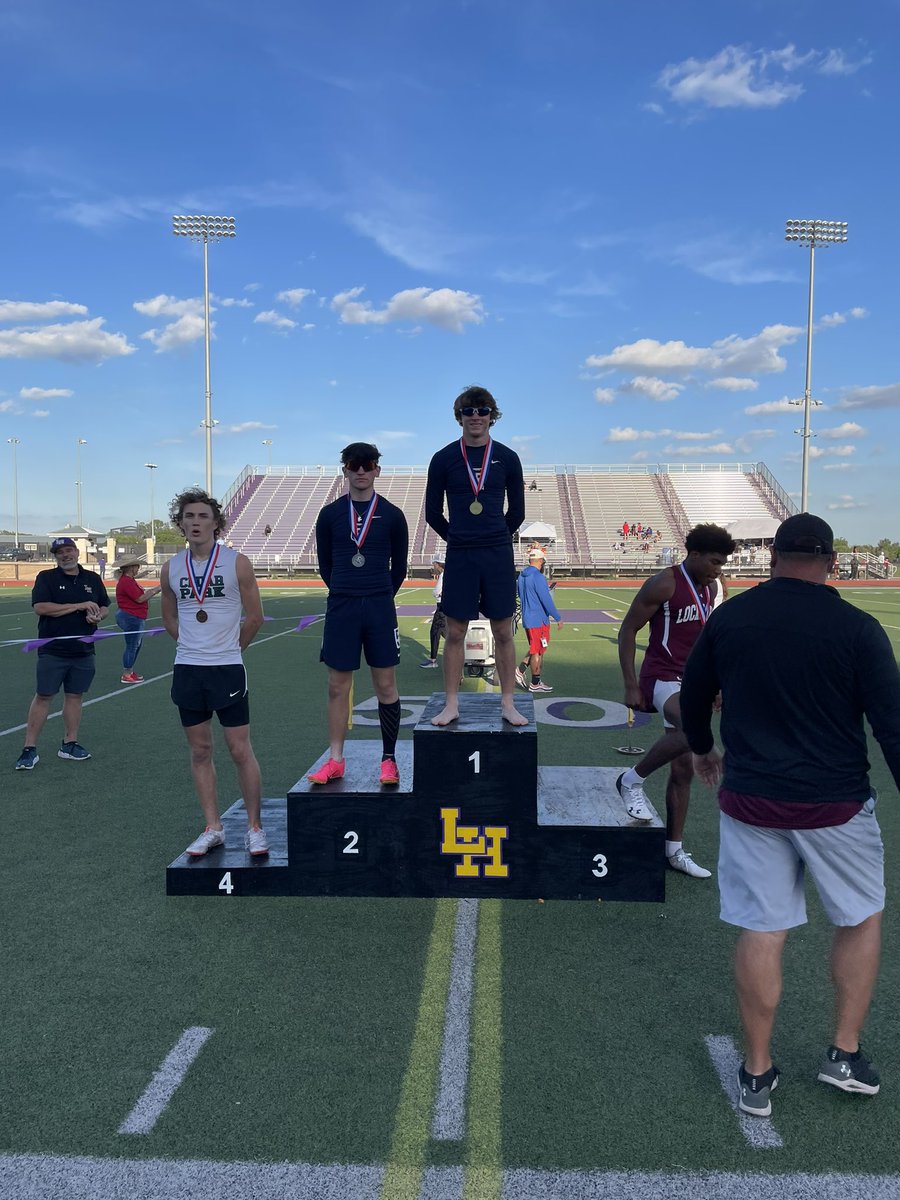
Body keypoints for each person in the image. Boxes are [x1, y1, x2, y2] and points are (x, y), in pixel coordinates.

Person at [680, 513, 900, 1117]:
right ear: (831, 563)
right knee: (859, 919)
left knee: (762, 928)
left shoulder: (731, 618)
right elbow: (892, 727)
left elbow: (693, 693)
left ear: (773, 558)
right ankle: (844, 1053)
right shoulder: (858, 628)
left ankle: (756, 1071)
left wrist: (701, 747)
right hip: (835, 804)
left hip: (752, 800)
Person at [616, 523, 735, 878]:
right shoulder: (664, 583)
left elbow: (709, 642)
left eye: (722, 563)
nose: (718, 570)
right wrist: (630, 684)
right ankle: (630, 780)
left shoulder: (712, 587)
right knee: (691, 729)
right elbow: (628, 630)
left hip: (693, 679)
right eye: (714, 561)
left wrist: (716, 684)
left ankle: (674, 851)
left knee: (683, 771)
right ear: (694, 554)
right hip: (661, 676)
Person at [160, 487, 269, 858]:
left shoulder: (237, 563)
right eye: (188, 516)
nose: (195, 522)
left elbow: (255, 618)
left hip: (227, 669)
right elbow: (169, 617)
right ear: (180, 523)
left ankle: (254, 828)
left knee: (239, 749)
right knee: (200, 750)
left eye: (203, 516)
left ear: (216, 523)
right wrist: (192, 646)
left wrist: (230, 650)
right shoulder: (171, 568)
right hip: (188, 670)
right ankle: (213, 827)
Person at [425, 385, 526, 727]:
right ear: (459, 416)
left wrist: (495, 537)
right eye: (468, 411)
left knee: (503, 631)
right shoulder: (443, 458)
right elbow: (432, 513)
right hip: (461, 555)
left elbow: (518, 512)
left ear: (492, 416)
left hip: (497, 555)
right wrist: (458, 538)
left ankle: (508, 703)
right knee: (455, 631)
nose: (476, 416)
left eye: (482, 410)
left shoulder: (508, 458)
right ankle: (451, 704)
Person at [309, 442, 409, 786]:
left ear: (378, 469)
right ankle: (335, 759)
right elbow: (326, 566)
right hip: (342, 607)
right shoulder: (330, 515)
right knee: (337, 685)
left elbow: (399, 568)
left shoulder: (393, 515)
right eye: (354, 464)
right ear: (345, 470)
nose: (362, 470)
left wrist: (377, 593)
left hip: (380, 606)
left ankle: (389, 759)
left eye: (368, 464)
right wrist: (347, 589)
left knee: (386, 684)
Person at [14, 536, 109, 770]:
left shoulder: (92, 578)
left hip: (84, 650)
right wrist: (79, 606)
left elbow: (104, 605)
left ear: (77, 552)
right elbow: (40, 607)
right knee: (44, 696)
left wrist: (98, 615)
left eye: (68, 550)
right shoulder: (46, 577)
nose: (65, 555)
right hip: (53, 651)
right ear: (56, 557)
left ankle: (69, 743)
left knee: (75, 696)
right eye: (60, 553)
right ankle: (29, 749)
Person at [515, 550, 563, 693]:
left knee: (536, 647)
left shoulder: (521, 576)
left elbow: (521, 594)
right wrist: (557, 617)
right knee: (537, 650)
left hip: (528, 617)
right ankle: (534, 683)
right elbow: (546, 599)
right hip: (538, 619)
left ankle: (520, 671)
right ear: (541, 561)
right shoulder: (538, 577)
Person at [115, 556, 161, 683]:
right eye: (137, 566)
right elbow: (140, 598)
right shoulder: (127, 582)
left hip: (134, 616)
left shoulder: (128, 580)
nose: (138, 568)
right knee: (132, 645)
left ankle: (129, 671)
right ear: (131, 568)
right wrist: (157, 589)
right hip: (131, 616)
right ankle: (127, 673)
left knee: (135, 644)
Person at [420, 551, 447, 669]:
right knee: (443, 632)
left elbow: (436, 592)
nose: (433, 566)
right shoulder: (449, 573)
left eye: (434, 564)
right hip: (447, 607)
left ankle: (433, 660)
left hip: (442, 607)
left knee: (435, 632)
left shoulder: (443, 575)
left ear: (438, 564)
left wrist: (437, 594)